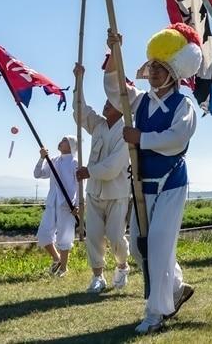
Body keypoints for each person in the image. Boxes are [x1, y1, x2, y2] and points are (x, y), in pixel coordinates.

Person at [105, 25, 202, 334]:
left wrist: (140, 138)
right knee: (138, 247)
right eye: (152, 66)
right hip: (142, 185)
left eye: (161, 67)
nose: (155, 72)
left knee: (159, 244)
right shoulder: (140, 101)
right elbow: (113, 90)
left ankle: (155, 313)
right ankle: (174, 288)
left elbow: (178, 138)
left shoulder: (183, 104)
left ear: (174, 71)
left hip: (171, 184)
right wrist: (113, 56)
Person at [73, 64, 130, 294]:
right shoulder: (98, 124)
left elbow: (113, 167)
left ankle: (122, 266)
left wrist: (90, 171)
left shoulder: (126, 131)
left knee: (116, 236)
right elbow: (79, 112)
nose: (105, 104)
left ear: (120, 107)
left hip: (116, 192)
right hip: (94, 191)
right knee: (94, 236)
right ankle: (98, 276)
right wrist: (79, 80)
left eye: (110, 102)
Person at [33, 136, 79, 277]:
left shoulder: (75, 162)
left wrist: (77, 204)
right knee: (43, 234)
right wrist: (42, 158)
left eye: (65, 140)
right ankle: (56, 258)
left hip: (67, 204)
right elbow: (38, 174)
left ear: (70, 145)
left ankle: (63, 269)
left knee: (64, 237)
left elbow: (80, 184)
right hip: (52, 202)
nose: (61, 141)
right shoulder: (53, 160)